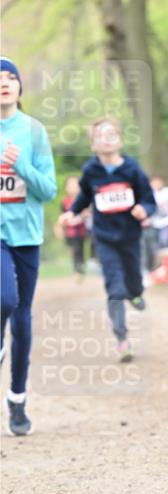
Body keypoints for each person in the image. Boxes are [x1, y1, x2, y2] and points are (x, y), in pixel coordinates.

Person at [59, 116, 155, 362]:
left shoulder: (132, 169)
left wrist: (143, 209)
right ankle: (122, 339)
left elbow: (148, 198)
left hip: (130, 236)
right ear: (93, 145)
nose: (107, 139)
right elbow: (84, 197)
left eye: (112, 134)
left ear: (120, 140)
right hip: (104, 237)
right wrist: (72, 213)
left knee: (133, 282)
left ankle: (136, 292)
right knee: (114, 287)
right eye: (101, 136)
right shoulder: (91, 171)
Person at [0, 56, 57, 435]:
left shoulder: (34, 131)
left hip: (28, 237)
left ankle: (18, 401)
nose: (4, 83)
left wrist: (21, 166)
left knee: (23, 321)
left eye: (10, 78)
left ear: (21, 87)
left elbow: (48, 190)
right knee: (6, 299)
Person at [61, 175, 88, 278]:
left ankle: (81, 268)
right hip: (70, 232)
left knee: (81, 249)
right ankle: (76, 269)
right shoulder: (65, 201)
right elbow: (62, 216)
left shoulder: (83, 200)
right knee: (74, 250)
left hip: (82, 230)